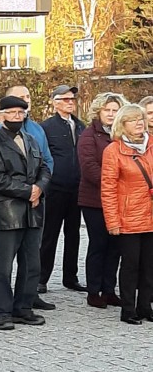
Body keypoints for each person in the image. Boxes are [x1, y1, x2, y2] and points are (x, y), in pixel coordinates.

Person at [0, 96, 51, 331]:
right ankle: (1, 311)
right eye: (11, 113)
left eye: (20, 113)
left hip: (33, 212)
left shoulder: (31, 140)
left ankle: (23, 308)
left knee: (32, 264)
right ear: (2, 115)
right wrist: (28, 192)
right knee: (4, 267)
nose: (16, 117)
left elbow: (44, 167)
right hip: (8, 213)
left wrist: (39, 188)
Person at [101, 104, 153, 325]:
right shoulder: (113, 151)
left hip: (151, 215)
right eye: (133, 120)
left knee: (150, 265)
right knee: (130, 265)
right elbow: (108, 188)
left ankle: (146, 307)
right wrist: (112, 221)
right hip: (129, 216)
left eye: (140, 119)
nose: (139, 123)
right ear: (122, 125)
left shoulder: (151, 145)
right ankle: (128, 309)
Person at [77, 93, 126, 309]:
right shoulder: (89, 135)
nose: (111, 114)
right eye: (107, 110)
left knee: (115, 246)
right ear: (98, 112)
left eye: (115, 110)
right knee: (98, 245)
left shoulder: (122, 136)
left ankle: (109, 290)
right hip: (94, 200)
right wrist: (114, 184)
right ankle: (93, 291)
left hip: (118, 201)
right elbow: (89, 168)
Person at [39, 85, 87, 293]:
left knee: (73, 234)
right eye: (65, 99)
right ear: (55, 102)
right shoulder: (47, 127)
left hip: (77, 188)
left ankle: (70, 276)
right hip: (55, 188)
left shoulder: (79, 126)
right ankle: (41, 278)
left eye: (72, 99)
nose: (70, 102)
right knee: (49, 234)